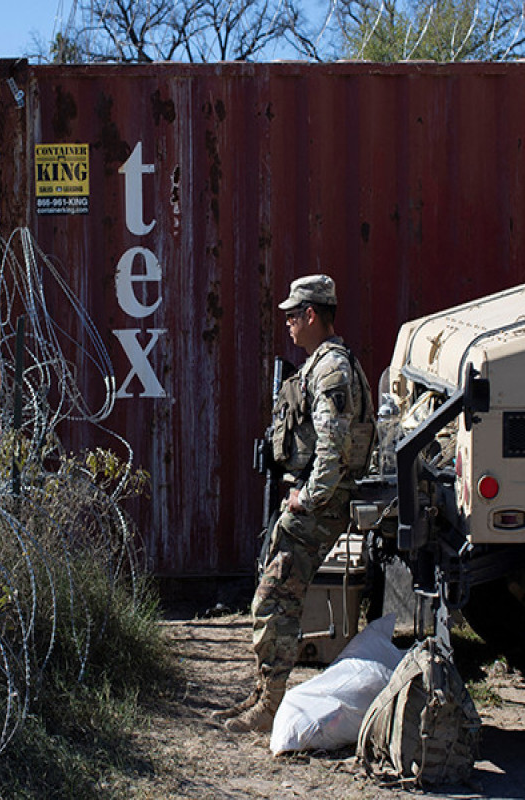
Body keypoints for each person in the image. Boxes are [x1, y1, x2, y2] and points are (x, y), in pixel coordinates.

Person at [217, 274, 375, 734]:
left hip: (321, 504)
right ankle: (264, 693)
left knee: (274, 599)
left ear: (312, 315)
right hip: (316, 497)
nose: (286, 323)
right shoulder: (323, 364)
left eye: (292, 315)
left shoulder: (330, 370)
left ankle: (269, 708)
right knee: (272, 593)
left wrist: (307, 498)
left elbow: (334, 445)